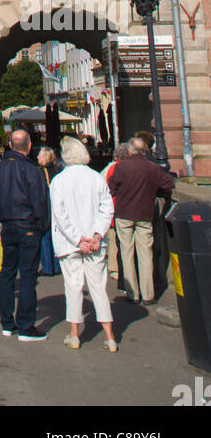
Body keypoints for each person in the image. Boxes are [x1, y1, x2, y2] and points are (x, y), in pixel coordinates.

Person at [49, 137, 119, 353]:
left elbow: (60, 216)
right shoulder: (96, 178)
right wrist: (97, 235)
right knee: (99, 287)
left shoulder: (59, 181)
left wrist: (78, 239)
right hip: (95, 243)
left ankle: (74, 334)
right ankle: (110, 336)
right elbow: (107, 208)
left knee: (73, 287)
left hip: (71, 244)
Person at [0, 128, 50, 340]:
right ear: (30, 146)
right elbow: (41, 202)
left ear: (11, 146)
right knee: (28, 276)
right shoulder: (33, 170)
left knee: (7, 274)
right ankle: (25, 325)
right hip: (29, 227)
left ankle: (6, 323)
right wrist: (42, 227)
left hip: (8, 227)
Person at [109, 136, 175, 305]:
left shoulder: (121, 168)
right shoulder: (152, 167)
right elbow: (169, 184)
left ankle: (132, 293)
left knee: (127, 252)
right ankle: (148, 293)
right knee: (146, 253)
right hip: (145, 214)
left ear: (130, 150)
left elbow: (112, 189)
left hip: (124, 214)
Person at [102, 143, 130, 281]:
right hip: (117, 208)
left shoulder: (111, 168)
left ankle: (114, 268)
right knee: (115, 240)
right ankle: (115, 268)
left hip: (114, 209)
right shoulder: (116, 169)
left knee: (114, 240)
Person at [37, 146, 63, 276]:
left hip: (46, 205)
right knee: (55, 235)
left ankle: (47, 266)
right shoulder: (58, 170)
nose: (37, 158)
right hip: (56, 205)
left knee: (45, 236)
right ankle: (57, 264)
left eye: (40, 156)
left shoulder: (41, 172)